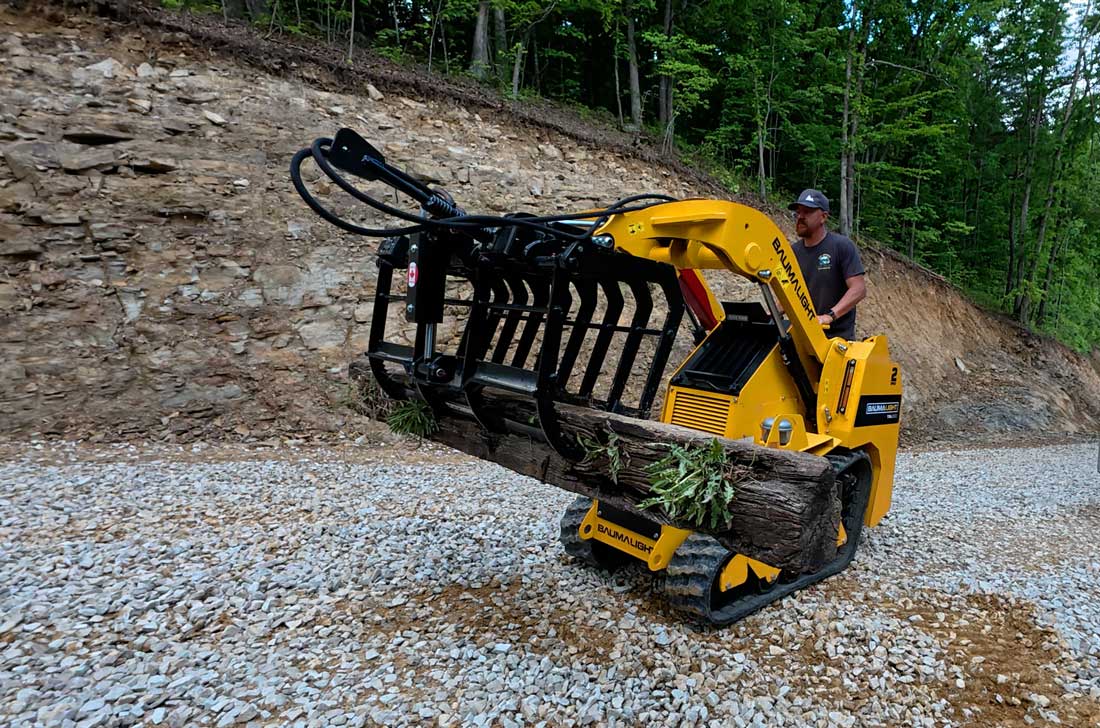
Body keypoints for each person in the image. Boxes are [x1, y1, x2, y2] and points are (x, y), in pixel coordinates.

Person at [787, 189, 866, 340]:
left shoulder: (841, 246)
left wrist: (829, 316)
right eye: (798, 212)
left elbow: (859, 289)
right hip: (805, 337)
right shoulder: (793, 252)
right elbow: (790, 291)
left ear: (823, 217)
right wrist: (770, 314)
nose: (800, 217)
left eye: (807, 212)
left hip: (836, 340)